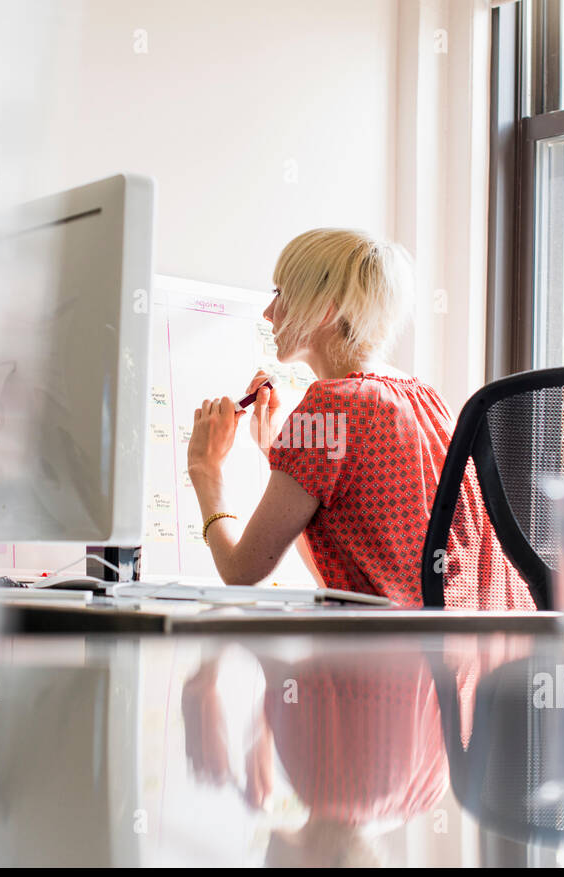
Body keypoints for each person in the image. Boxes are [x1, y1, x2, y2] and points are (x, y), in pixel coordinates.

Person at [185, 227, 533, 609]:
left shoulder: (330, 406)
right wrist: (278, 452)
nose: (268, 314)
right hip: (467, 658)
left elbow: (241, 572)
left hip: (393, 663)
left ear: (325, 309)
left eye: (280, 294)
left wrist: (206, 469)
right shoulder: (428, 400)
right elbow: (346, 578)